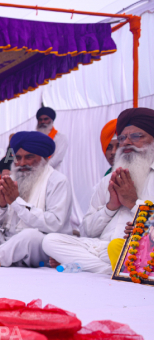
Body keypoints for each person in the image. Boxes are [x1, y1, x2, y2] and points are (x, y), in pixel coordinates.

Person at [43, 107, 154, 274]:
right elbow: (86, 231)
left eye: (137, 136)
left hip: (139, 250)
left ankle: (116, 267)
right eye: (122, 137)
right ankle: (115, 270)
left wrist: (132, 203)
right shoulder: (107, 182)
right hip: (101, 248)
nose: (126, 142)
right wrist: (110, 207)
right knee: (50, 241)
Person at [0, 131, 72, 268]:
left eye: (29, 157)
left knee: (30, 236)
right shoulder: (11, 180)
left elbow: (54, 223)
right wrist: (2, 205)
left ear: (44, 158)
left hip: (38, 245)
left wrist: (15, 202)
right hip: (8, 240)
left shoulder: (57, 181)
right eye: (18, 158)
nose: (22, 163)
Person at [36, 107, 68, 171]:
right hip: (34, 175)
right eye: (40, 119)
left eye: (46, 119)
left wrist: (39, 170)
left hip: (52, 174)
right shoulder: (34, 138)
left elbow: (56, 159)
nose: (42, 122)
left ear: (51, 120)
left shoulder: (60, 138)